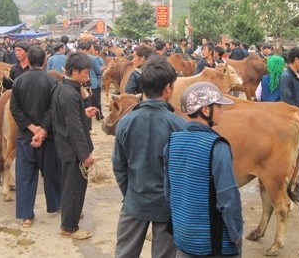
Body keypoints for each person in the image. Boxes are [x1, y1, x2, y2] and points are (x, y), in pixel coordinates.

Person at [112, 56, 187, 258]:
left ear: (143, 87)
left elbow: (118, 167)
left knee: (125, 253)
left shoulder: (126, 123)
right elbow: (182, 174)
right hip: (167, 207)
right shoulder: (180, 126)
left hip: (134, 201)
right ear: (168, 89)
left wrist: (130, 194)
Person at [165, 81, 243, 257]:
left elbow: (169, 191)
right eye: (219, 107)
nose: (222, 111)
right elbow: (228, 200)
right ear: (206, 110)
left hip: (184, 238)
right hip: (213, 244)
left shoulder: (172, 141)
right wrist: (236, 235)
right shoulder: (217, 147)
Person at [10, 46, 60, 228]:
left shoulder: (19, 81)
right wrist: (43, 130)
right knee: (52, 173)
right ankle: (56, 204)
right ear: (45, 59)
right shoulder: (52, 82)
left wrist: (32, 128)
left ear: (28, 60)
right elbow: (54, 109)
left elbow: (15, 109)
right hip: (48, 138)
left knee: (25, 176)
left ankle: (26, 216)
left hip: (25, 136)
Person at [51, 53, 97, 240]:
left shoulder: (61, 89)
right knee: (74, 188)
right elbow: (74, 128)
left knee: (70, 186)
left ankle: (71, 218)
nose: (87, 76)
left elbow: (66, 118)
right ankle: (69, 227)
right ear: (75, 71)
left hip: (64, 146)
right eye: (86, 72)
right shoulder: (71, 94)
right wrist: (85, 155)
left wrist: (83, 112)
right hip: (72, 150)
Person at [280, 47, 299, 115]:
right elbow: (287, 101)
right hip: (294, 117)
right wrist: (297, 114)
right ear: (296, 60)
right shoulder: (286, 77)